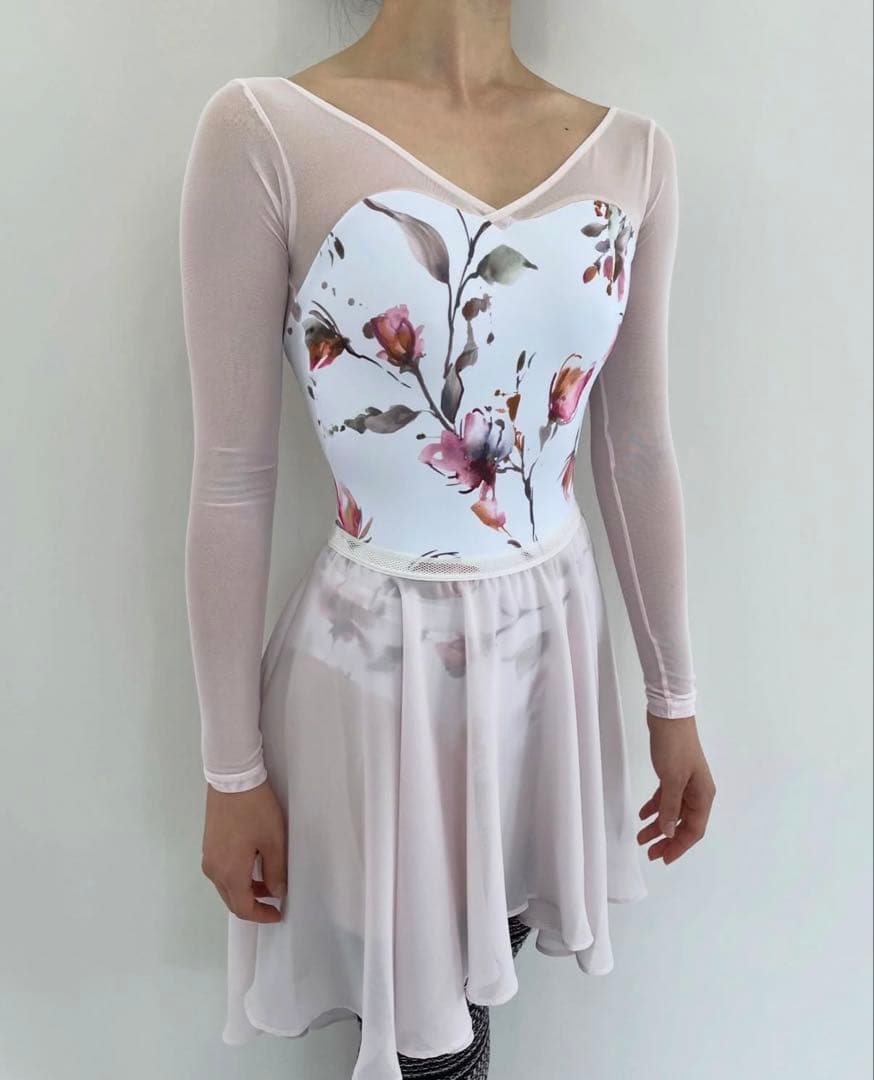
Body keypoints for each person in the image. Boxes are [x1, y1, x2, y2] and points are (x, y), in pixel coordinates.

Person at [179, 2, 717, 1077]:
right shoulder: (265, 133)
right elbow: (235, 477)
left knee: (482, 988)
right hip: (379, 682)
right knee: (426, 1038)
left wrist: (675, 701)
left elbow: (635, 451)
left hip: (551, 666)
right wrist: (230, 767)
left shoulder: (634, 155)